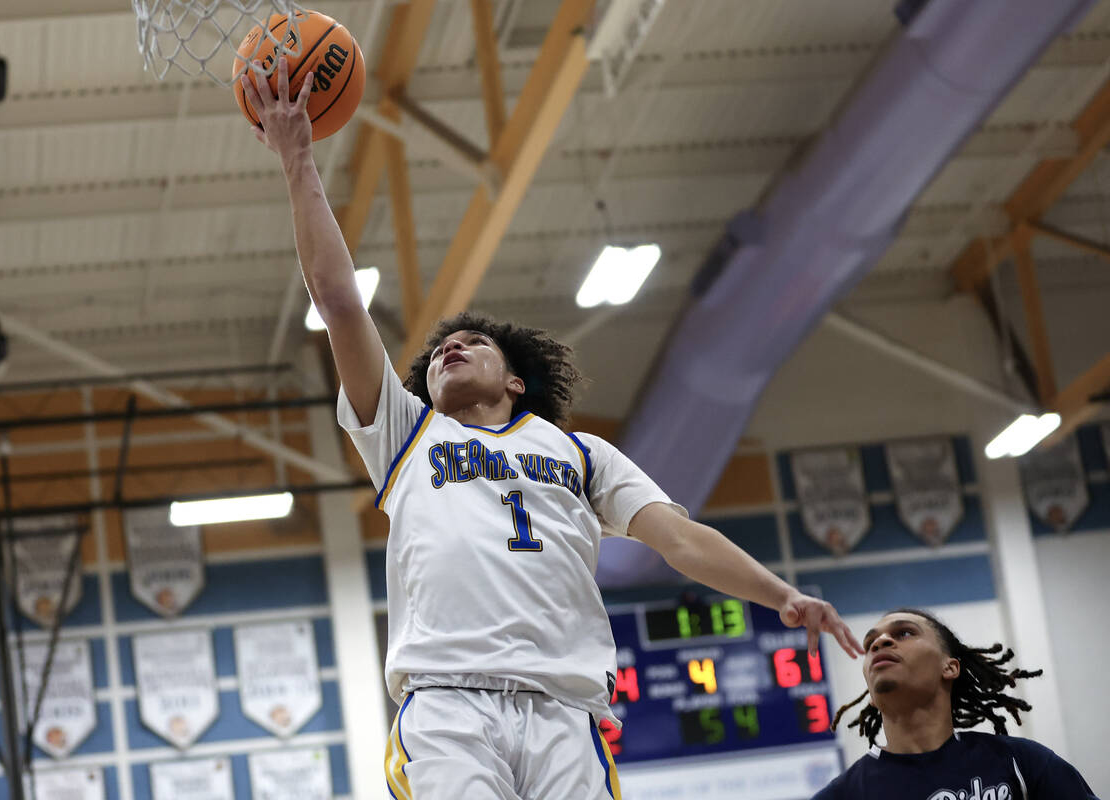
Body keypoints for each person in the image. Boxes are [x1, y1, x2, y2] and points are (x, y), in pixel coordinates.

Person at [241, 57, 864, 800]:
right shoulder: (405, 436)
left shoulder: (579, 452)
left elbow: (681, 541)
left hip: (567, 712)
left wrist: (780, 595)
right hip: (448, 705)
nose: (449, 348)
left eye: (471, 343)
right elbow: (340, 301)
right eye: (439, 351)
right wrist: (298, 159)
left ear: (515, 380)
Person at [814, 608, 1099, 799]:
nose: (880, 642)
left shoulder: (1021, 762)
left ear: (949, 668)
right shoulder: (844, 795)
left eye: (904, 633)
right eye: (870, 643)